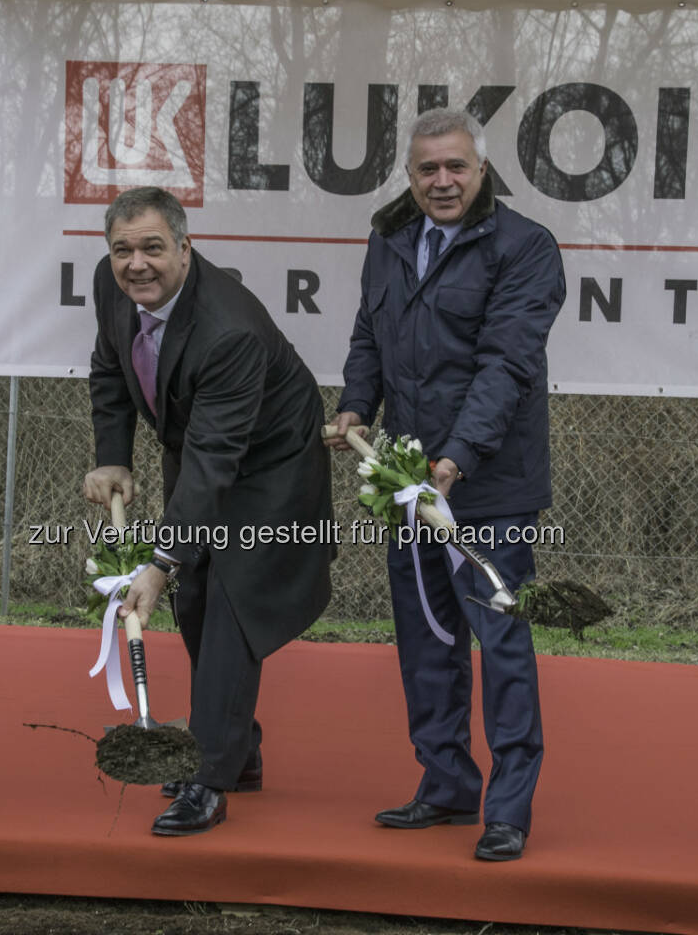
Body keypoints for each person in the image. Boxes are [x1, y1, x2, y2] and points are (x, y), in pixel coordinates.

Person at [326, 108, 566, 862]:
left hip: (488, 487)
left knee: (498, 638)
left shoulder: (526, 249)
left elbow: (507, 363)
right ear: (410, 173)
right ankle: (445, 783)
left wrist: (458, 457)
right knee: (427, 637)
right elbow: (370, 332)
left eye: (455, 167)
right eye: (428, 169)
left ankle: (508, 807)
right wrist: (356, 403)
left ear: (482, 170)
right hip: (403, 477)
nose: (442, 181)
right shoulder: (389, 238)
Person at [83, 186, 335, 837]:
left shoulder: (230, 330)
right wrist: (114, 457)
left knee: (231, 601)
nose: (136, 264)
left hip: (270, 462)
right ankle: (236, 749)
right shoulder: (112, 287)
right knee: (192, 599)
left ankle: (210, 778)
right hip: (199, 448)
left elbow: (216, 463)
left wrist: (159, 562)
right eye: (123, 250)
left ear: (186, 248)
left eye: (153, 248)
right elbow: (110, 369)